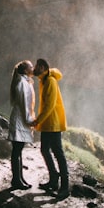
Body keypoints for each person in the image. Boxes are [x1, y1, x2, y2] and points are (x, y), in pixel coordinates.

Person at [32, 58, 69, 199]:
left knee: (58, 153)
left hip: (53, 123)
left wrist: (38, 120)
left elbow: (50, 105)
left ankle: (64, 187)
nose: (34, 68)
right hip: (48, 124)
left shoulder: (50, 81)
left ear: (42, 67)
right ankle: (54, 180)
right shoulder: (44, 80)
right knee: (44, 150)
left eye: (36, 66)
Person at [7, 60, 36, 190]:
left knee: (18, 150)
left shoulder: (24, 81)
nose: (33, 68)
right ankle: (16, 180)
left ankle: (20, 178)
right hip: (20, 118)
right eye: (31, 67)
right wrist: (30, 120)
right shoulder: (22, 83)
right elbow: (25, 104)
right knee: (17, 150)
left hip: (20, 117)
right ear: (25, 70)